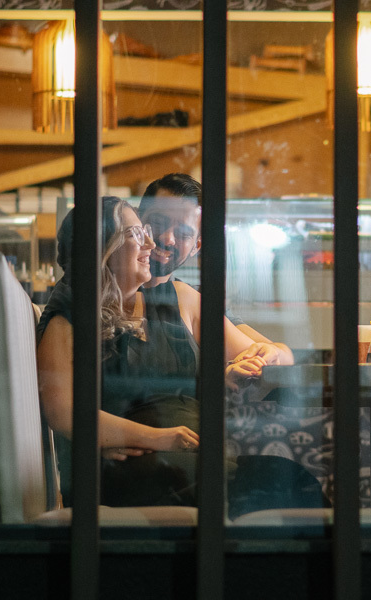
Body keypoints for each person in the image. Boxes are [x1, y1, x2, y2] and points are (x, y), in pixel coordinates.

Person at [37, 197, 326, 513]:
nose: (152, 243)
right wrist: (157, 439)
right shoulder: (67, 322)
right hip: (131, 468)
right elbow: (64, 413)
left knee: (294, 479)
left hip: (190, 455)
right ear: (103, 248)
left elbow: (275, 354)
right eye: (137, 234)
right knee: (260, 490)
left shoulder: (177, 299)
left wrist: (257, 360)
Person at [138, 173, 293, 366]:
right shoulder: (105, 290)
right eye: (158, 223)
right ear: (136, 221)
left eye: (183, 234)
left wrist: (271, 353)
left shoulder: (196, 298)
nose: (168, 238)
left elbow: (284, 355)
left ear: (196, 246)